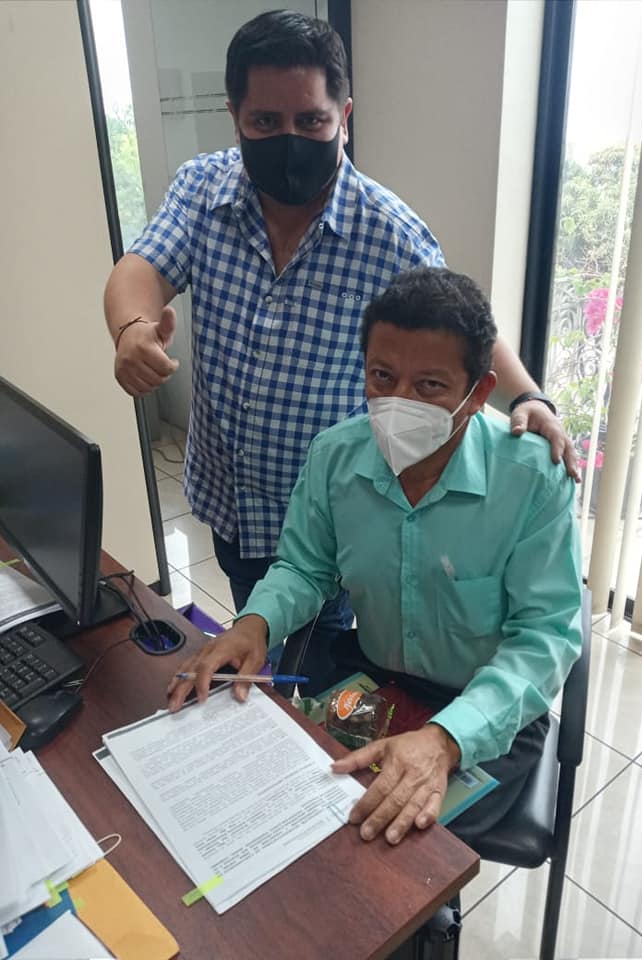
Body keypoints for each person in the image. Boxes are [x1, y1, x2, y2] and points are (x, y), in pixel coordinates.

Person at [104, 10, 578, 690]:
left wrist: (529, 394)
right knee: (254, 646)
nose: (290, 140)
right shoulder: (203, 189)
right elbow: (141, 269)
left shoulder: (388, 232)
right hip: (232, 495)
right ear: (234, 116)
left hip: (338, 510)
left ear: (344, 117)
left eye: (311, 121)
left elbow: (463, 325)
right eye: (265, 122)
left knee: (320, 673)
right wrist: (132, 329)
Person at [167, 267, 583, 847]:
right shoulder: (335, 457)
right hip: (376, 679)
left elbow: (544, 638)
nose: (398, 402)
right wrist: (253, 625)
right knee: (303, 801)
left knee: (402, 845)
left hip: (487, 706)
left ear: (478, 392)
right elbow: (304, 567)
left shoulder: (532, 478)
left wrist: (446, 739)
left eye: (429, 386)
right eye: (382, 376)